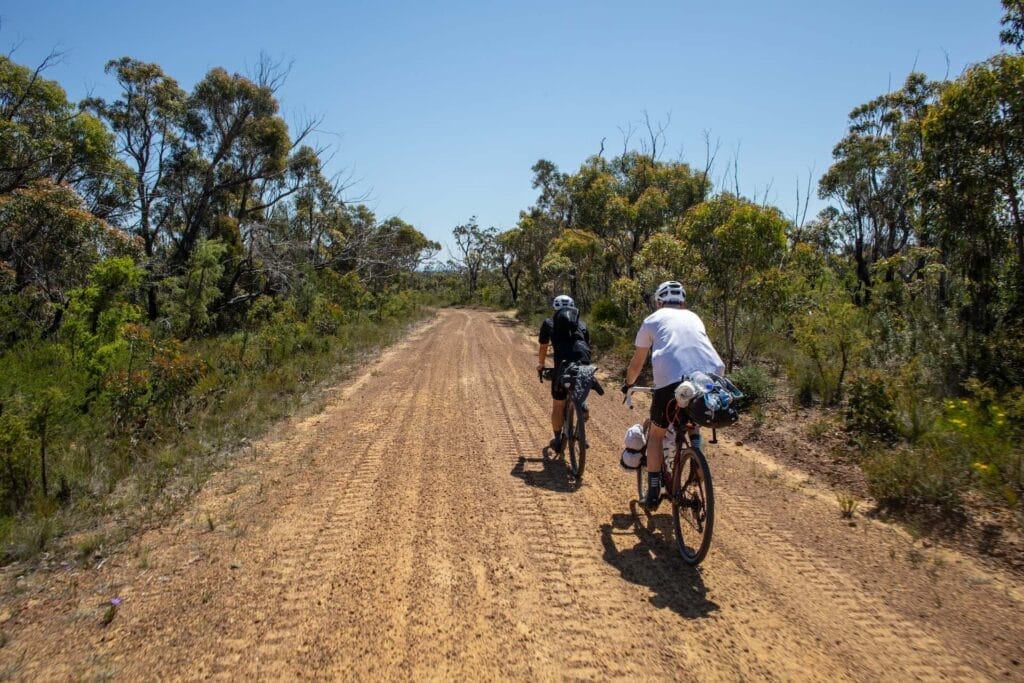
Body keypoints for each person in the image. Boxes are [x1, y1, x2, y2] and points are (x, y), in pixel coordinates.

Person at [622, 280, 725, 509]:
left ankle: (653, 489)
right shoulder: (695, 317)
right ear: (683, 302)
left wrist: (628, 384)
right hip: (711, 377)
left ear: (659, 302)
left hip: (672, 379)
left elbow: (637, 364)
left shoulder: (652, 320)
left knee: (657, 435)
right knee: (694, 421)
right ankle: (696, 460)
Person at [537, 294, 592, 452]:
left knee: (558, 405)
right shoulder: (582, 324)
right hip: (583, 366)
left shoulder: (549, 323)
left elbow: (543, 347)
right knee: (580, 394)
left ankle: (557, 439)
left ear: (555, 308)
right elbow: (587, 346)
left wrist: (541, 365)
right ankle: (581, 411)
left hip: (562, 368)